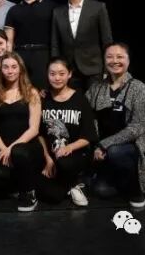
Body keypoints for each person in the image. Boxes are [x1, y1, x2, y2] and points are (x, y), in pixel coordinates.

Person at [86, 43, 145, 208]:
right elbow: (81, 108)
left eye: (120, 57)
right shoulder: (97, 88)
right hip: (106, 148)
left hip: (135, 146)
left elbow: (136, 129)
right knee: (100, 190)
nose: (114, 61)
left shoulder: (139, 89)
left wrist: (103, 145)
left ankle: (136, 190)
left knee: (116, 152)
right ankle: (122, 179)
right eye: (109, 57)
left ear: (128, 61)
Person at [38, 58, 97, 206]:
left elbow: (89, 136)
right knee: (51, 197)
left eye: (61, 73)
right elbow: (39, 134)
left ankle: (74, 182)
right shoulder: (42, 99)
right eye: (52, 74)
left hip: (74, 156)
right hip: (51, 157)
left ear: (69, 74)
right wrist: (48, 159)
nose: (57, 78)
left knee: (64, 163)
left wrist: (69, 147)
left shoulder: (80, 99)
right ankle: (69, 184)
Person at [0, 53, 43, 211]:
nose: (10, 71)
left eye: (14, 67)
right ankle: (16, 186)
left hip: (27, 146)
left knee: (19, 152)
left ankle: (29, 193)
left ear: (20, 69)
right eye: (5, 67)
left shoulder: (32, 92)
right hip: (3, 148)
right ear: (1, 70)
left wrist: (11, 149)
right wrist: (4, 149)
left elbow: (34, 129)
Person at [51, 0, 113, 90]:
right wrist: (56, 69)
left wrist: (107, 70)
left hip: (94, 69)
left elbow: (107, 41)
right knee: (73, 102)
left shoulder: (98, 7)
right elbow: (55, 44)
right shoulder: (57, 12)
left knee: (94, 102)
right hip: (69, 71)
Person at [4, 0, 57, 89]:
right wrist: (9, 63)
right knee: (21, 94)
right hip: (20, 58)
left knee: (43, 94)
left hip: (44, 57)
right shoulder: (13, 10)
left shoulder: (52, 7)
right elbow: (9, 42)